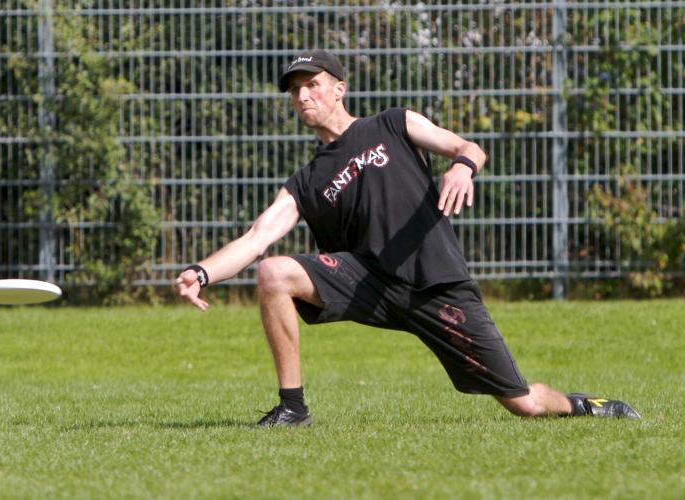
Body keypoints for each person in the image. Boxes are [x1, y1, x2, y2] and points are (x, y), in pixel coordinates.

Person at [175, 49, 640, 427]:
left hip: (436, 285)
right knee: (274, 272)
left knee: (524, 403)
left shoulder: (393, 124)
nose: (303, 96)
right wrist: (201, 272)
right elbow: (257, 237)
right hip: (369, 283)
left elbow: (467, 147)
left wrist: (463, 167)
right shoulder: (307, 180)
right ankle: (292, 408)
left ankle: (584, 405)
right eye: (295, 90)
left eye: (312, 84)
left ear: (339, 89)